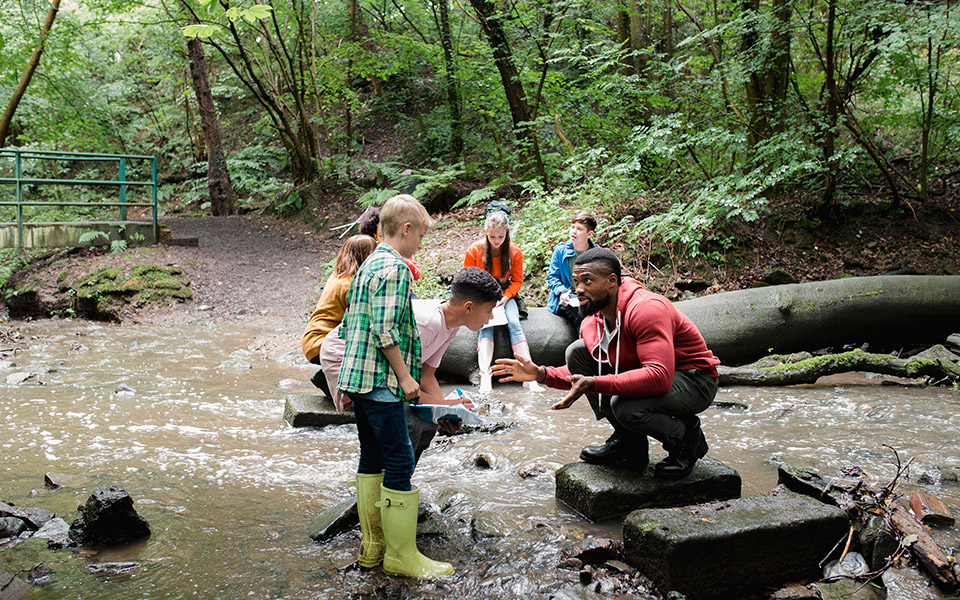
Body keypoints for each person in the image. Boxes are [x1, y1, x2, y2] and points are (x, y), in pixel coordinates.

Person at [491, 248, 721, 480]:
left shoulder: (646, 309)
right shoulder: (593, 318)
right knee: (577, 353)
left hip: (695, 379)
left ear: (612, 281)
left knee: (625, 406)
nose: (579, 289)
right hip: (652, 374)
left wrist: (594, 383)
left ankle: (686, 438)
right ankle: (629, 443)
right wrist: (541, 374)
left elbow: (658, 377)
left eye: (587, 281)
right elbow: (580, 372)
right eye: (576, 282)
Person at [337, 194, 452, 578]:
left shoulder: (369, 263)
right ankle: (401, 555)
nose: (421, 243)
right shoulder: (396, 269)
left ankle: (373, 548)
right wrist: (405, 376)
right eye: (420, 235)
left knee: (371, 458)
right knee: (400, 460)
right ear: (405, 229)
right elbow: (384, 330)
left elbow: (351, 324)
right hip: (381, 382)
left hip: (358, 379)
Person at [319, 266, 502, 460]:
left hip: (386, 367)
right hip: (346, 355)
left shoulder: (451, 326)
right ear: (468, 307)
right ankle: (391, 473)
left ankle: (397, 473)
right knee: (408, 422)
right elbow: (399, 383)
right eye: (489, 311)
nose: (491, 318)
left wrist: (445, 412)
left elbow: (426, 374)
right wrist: (444, 404)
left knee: (428, 423)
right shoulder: (428, 323)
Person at [464, 203, 543, 393]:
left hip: (505, 296)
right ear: (486, 231)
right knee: (486, 326)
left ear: (506, 233)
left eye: (501, 236)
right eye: (492, 236)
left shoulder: (514, 252)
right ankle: (485, 376)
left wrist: (506, 298)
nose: (496, 241)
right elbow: (467, 277)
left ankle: (528, 375)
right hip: (482, 297)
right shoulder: (474, 250)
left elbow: (517, 281)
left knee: (514, 323)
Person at [301, 234, 378, 396]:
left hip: (312, 339)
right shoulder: (350, 284)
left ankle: (327, 376)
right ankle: (330, 381)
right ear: (365, 256)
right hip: (322, 341)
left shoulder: (338, 276)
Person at [547, 212, 598, 329]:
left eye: (579, 229)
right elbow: (552, 277)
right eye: (572, 227)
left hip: (589, 296)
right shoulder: (560, 251)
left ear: (589, 234)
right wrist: (562, 292)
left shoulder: (596, 253)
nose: (573, 232)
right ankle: (584, 340)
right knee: (582, 315)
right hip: (567, 296)